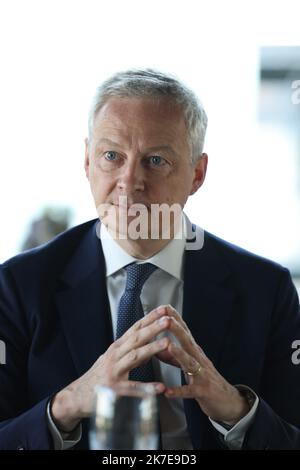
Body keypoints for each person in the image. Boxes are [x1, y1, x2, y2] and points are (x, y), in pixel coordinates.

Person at [0, 69, 300, 450]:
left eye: (155, 160)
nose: (130, 181)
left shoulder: (266, 291)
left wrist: (236, 409)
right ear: (88, 162)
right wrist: (69, 403)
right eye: (112, 156)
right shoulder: (18, 286)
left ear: (197, 173)